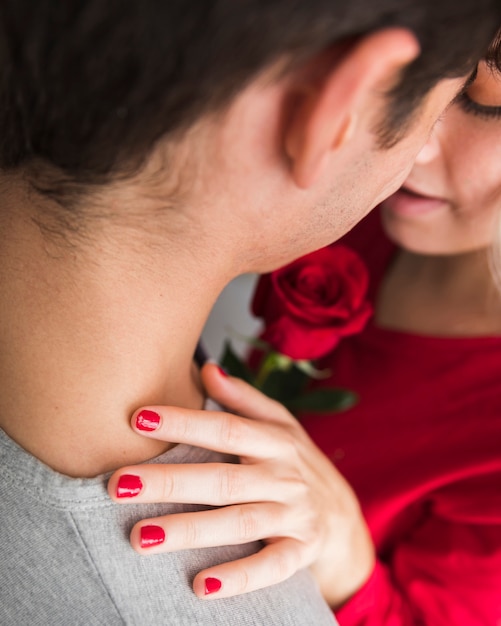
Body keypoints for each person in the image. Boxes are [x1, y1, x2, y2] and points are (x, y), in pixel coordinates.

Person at [1, 1, 501, 624]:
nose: (421, 145)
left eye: (483, 97)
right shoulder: (358, 212)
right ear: (337, 107)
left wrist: (347, 562)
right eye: (446, 87)